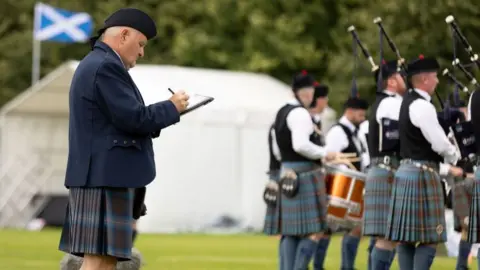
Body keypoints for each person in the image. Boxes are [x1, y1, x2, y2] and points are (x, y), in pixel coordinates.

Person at [58, 8, 190, 270]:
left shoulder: (97, 64)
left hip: (100, 174)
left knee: (105, 261)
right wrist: (171, 107)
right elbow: (133, 118)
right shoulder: (105, 66)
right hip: (103, 177)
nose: (141, 52)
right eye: (140, 44)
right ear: (124, 35)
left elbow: (121, 121)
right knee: (97, 262)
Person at [385, 55, 464, 269]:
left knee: (406, 237)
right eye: (435, 77)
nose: (437, 81)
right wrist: (455, 154)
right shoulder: (422, 106)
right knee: (431, 236)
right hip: (422, 174)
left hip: (407, 171)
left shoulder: (407, 103)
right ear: (426, 79)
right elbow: (439, 143)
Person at [274, 70, 338, 270]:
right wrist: (324, 152)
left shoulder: (282, 111)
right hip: (304, 174)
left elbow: (277, 150)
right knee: (314, 229)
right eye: (308, 90)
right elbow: (300, 145)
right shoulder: (300, 113)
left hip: (287, 173)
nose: (310, 95)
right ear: (302, 93)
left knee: (291, 231)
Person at [363, 60, 407, 270]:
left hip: (382, 170)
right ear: (391, 81)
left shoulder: (383, 102)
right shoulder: (391, 103)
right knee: (387, 237)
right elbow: (399, 139)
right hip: (388, 170)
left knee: (387, 236)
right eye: (401, 75)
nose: (404, 79)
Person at [322, 96, 369, 270]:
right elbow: (331, 159)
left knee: (356, 227)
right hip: (340, 186)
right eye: (360, 114)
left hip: (354, 186)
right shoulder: (338, 132)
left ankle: (347, 266)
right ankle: (319, 265)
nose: (362, 117)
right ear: (349, 111)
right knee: (327, 228)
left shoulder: (355, 133)